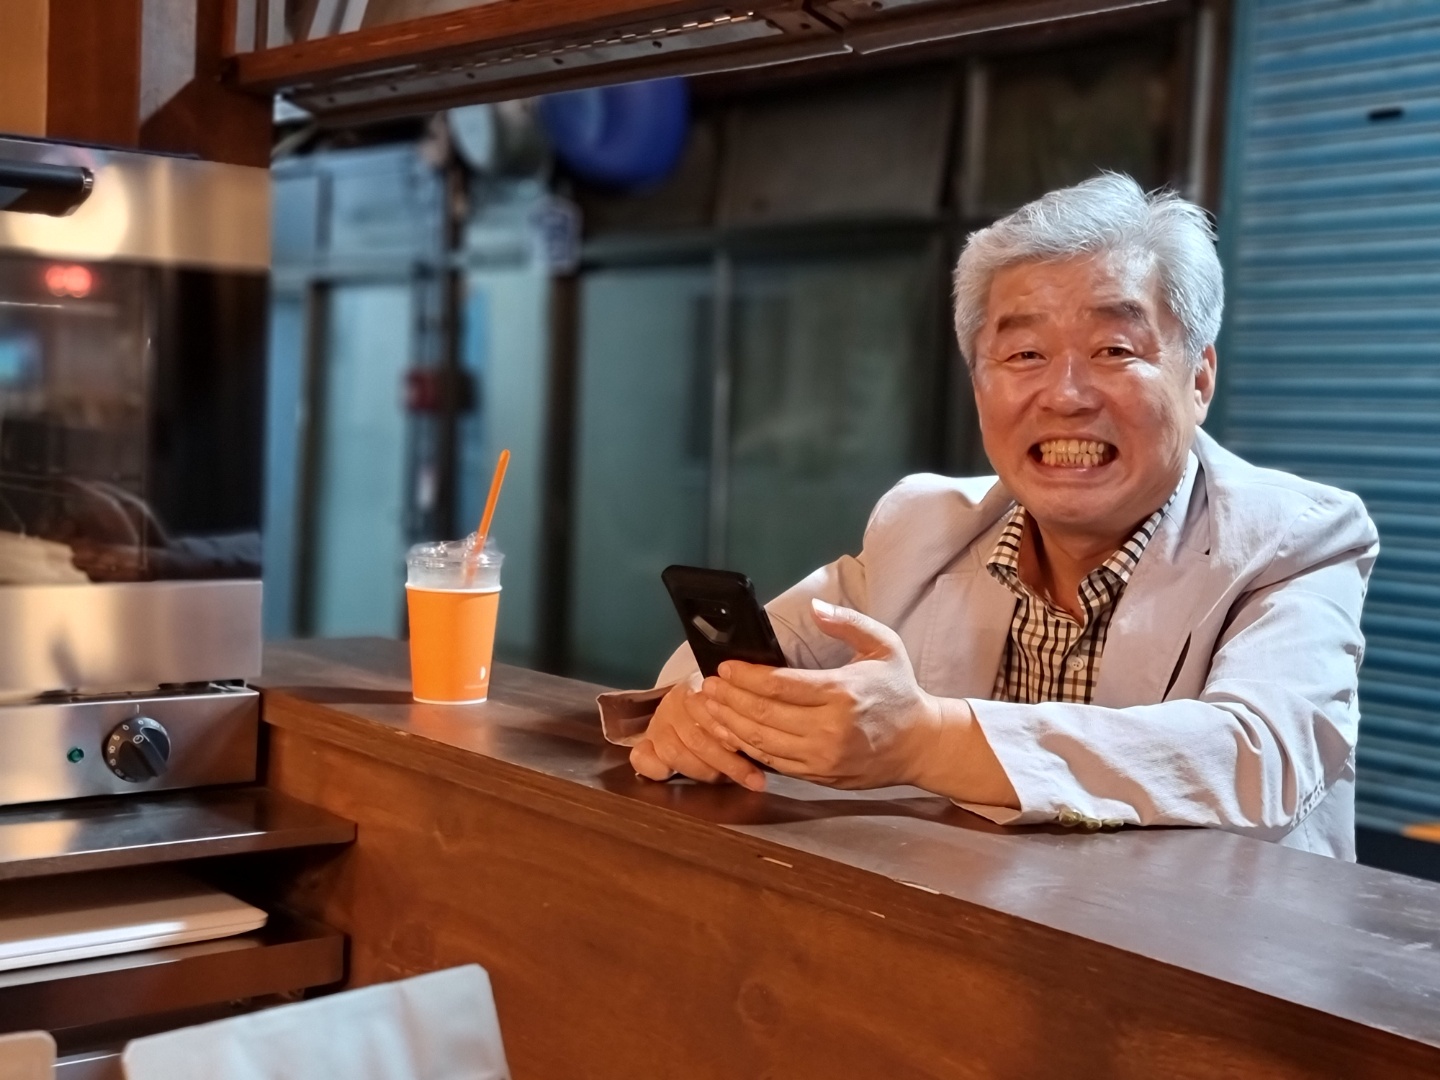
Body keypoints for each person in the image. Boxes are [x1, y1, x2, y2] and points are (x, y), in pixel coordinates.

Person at [598, 173, 1379, 860]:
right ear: (980, 386)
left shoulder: (1298, 539)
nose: (1065, 394)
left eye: (1114, 349)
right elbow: (731, 663)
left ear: (1199, 378)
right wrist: (703, 714)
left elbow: (1255, 754)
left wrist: (923, 740)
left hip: (1198, 966)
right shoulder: (925, 523)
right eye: (1025, 355)